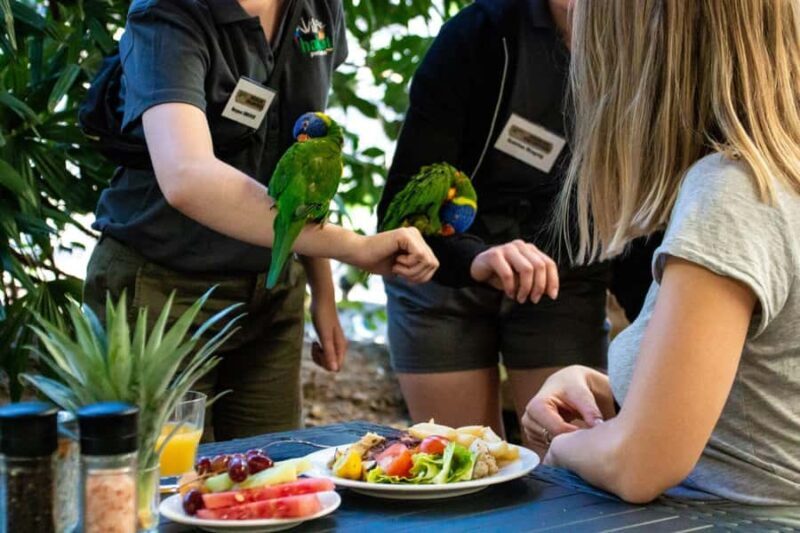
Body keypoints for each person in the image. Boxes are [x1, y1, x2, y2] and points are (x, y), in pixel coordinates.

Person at [82, 0, 438, 441]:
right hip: (162, 291)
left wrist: (321, 291)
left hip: (271, 290)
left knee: (270, 478)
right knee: (165, 490)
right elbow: (186, 177)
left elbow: (303, 165)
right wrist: (355, 247)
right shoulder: (168, 13)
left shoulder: (318, 9)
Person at [522, 0, 800, 517]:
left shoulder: (732, 192)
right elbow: (759, 404)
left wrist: (558, 450)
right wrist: (611, 396)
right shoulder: (780, 180)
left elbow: (638, 465)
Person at [377, 0, 654, 437]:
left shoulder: (650, 46)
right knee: (463, 468)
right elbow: (405, 205)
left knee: (566, 480)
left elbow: (643, 214)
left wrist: (662, 321)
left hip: (563, 279)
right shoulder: (479, 33)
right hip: (445, 274)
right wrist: (474, 257)